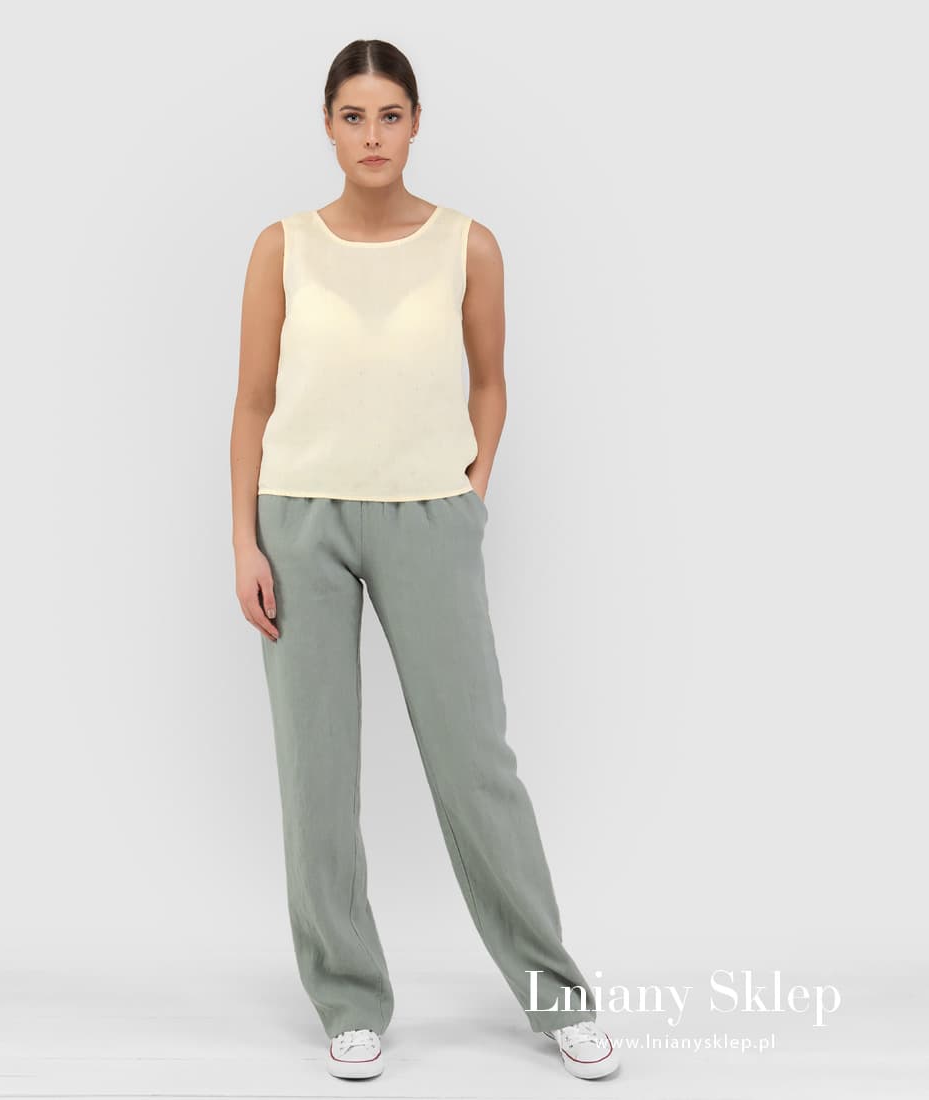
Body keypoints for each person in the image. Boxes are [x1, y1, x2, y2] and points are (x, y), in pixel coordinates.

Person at [230, 38, 621, 1084]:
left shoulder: (466, 245)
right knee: (316, 775)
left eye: (390, 115)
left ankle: (557, 997)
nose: (372, 135)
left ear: (414, 124)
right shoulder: (281, 247)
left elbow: (490, 382)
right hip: (298, 521)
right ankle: (348, 999)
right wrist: (244, 540)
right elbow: (252, 402)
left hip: (429, 518)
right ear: (327, 127)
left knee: (474, 765)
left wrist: (470, 492)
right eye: (353, 116)